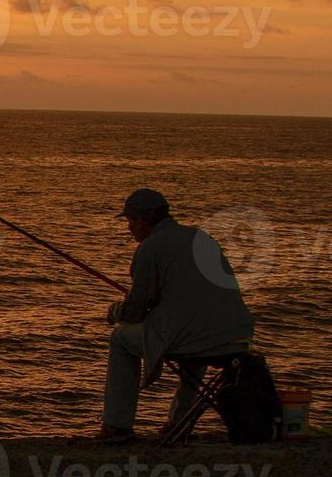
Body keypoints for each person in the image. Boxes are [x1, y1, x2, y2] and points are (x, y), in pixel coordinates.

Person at [99, 189, 256, 443]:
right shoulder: (201, 238)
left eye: (131, 222)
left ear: (143, 220)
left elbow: (135, 312)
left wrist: (115, 311)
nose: (130, 230)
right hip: (236, 337)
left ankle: (117, 426)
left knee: (120, 339)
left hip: (194, 338)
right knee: (197, 334)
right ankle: (179, 423)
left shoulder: (150, 248)